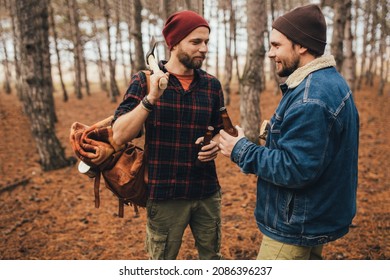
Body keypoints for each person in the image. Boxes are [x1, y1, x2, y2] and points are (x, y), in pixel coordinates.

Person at [219, 4, 359, 260]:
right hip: (312, 216)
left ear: (302, 45)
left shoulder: (311, 98)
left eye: (276, 45)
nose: (270, 53)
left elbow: (295, 168)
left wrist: (240, 149)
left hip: (296, 226)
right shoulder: (329, 82)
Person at [112, 10, 224, 260]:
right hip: (165, 194)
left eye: (206, 42)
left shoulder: (212, 85)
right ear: (173, 44)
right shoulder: (145, 81)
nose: (204, 48)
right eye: (196, 42)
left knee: (212, 260)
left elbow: (222, 130)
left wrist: (215, 144)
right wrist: (151, 98)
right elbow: (119, 134)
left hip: (206, 192)